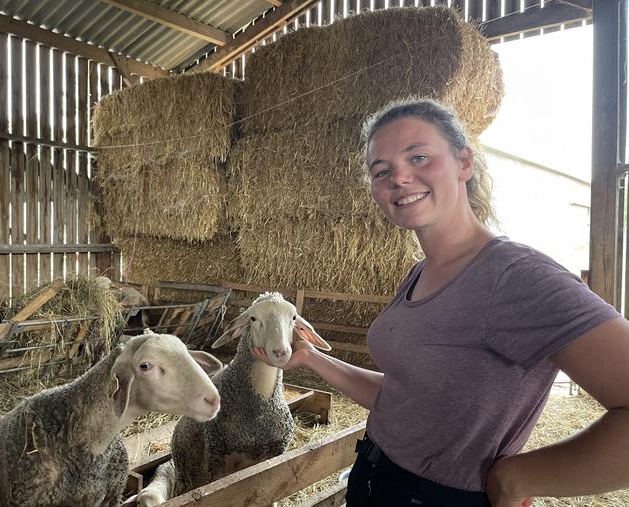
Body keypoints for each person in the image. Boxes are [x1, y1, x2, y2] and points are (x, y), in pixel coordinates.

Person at [252, 98, 629, 507]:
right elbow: (402, 396)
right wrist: (310, 357)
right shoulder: (420, 273)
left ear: (463, 163)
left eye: (418, 157)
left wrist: (519, 477)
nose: (399, 177)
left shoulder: (516, 277)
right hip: (374, 475)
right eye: (382, 171)